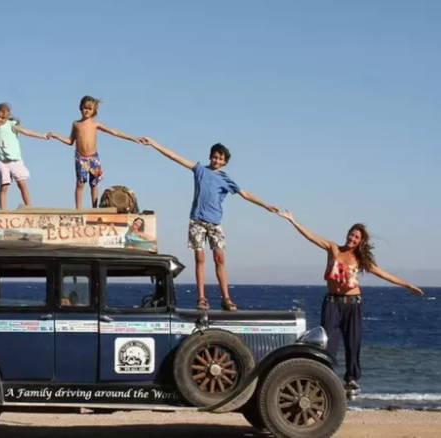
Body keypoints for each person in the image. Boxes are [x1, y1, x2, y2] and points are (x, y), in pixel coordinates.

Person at [276, 209, 424, 392]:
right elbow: (311, 237)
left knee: (353, 343)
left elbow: (383, 274)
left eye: (356, 237)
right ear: (347, 234)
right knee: (327, 343)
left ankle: (352, 379)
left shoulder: (360, 259)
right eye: (351, 234)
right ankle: (325, 375)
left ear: (360, 242)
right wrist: (293, 220)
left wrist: (407, 285)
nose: (352, 238)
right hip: (332, 303)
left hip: (353, 304)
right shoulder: (333, 249)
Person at [138, 137, 280, 311]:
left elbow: (245, 193)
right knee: (200, 258)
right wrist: (154, 144)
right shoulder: (200, 170)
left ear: (225, 162)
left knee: (219, 258)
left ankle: (226, 298)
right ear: (210, 156)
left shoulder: (226, 179)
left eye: (221, 159)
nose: (217, 161)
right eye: (215, 157)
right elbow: (174, 156)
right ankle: (201, 297)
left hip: (215, 223)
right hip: (197, 220)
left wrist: (266, 205)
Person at [47, 95, 141, 209]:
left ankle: (94, 208)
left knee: (94, 184)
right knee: (80, 183)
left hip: (93, 158)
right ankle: (78, 209)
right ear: (81, 108)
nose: (86, 110)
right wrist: (56, 136)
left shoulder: (96, 124)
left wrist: (132, 138)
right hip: (81, 158)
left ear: (94, 111)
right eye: (84, 108)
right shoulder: (76, 124)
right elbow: (70, 141)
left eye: (89, 109)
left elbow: (114, 132)